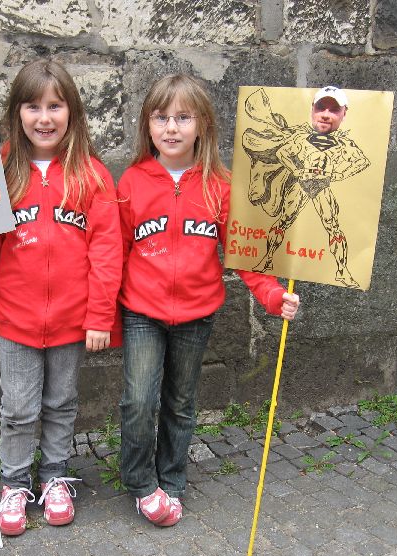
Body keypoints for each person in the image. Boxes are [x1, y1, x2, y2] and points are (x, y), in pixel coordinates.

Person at [0, 59, 121, 536]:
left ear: (72, 111)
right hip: (16, 318)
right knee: (18, 407)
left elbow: (106, 253)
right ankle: (15, 483)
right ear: (16, 112)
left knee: (61, 402)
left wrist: (100, 316)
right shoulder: (0, 170)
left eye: (55, 106)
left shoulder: (92, 175)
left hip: (71, 319)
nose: (44, 118)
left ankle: (54, 475)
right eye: (33, 106)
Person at [117, 74, 300, 527]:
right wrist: (100, 313)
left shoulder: (220, 185)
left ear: (203, 125)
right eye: (161, 117)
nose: (171, 128)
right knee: (139, 401)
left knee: (180, 402)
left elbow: (245, 253)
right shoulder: (132, 182)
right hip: (141, 311)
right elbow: (112, 253)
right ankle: (140, 483)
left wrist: (273, 294)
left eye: (183, 117)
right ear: (147, 125)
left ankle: (171, 480)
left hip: (196, 316)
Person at [242, 86, 370, 288]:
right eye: (321, 108)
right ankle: (267, 260)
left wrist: (337, 174)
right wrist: (297, 170)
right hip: (301, 185)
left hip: (321, 187)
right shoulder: (301, 138)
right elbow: (283, 153)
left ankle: (342, 271)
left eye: (333, 110)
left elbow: (361, 161)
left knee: (332, 226)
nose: (326, 114)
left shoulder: (344, 144)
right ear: (312, 110)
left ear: (344, 114)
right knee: (284, 221)